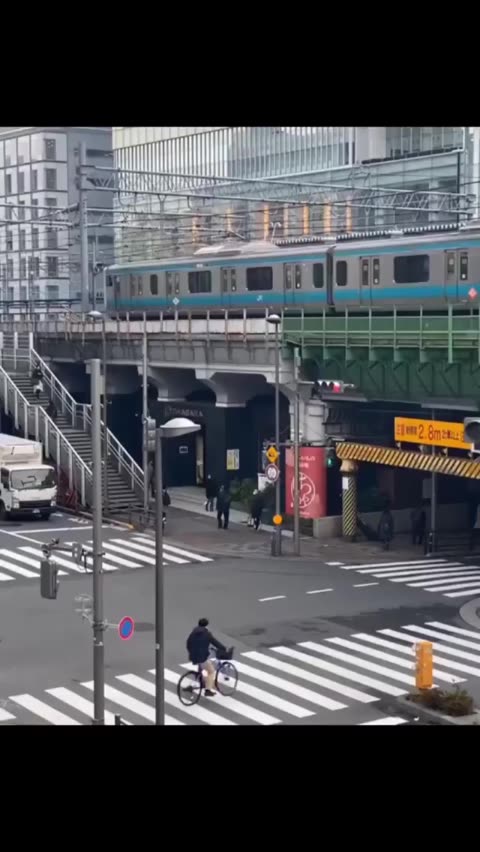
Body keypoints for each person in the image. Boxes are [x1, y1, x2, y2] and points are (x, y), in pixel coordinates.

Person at [186, 618, 227, 697]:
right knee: (211, 671)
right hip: (202, 657)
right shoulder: (207, 633)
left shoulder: (193, 632)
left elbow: (188, 643)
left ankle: (197, 683)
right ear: (206, 625)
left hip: (193, 656)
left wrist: (192, 652)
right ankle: (208, 690)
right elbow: (215, 642)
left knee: (201, 668)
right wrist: (223, 648)